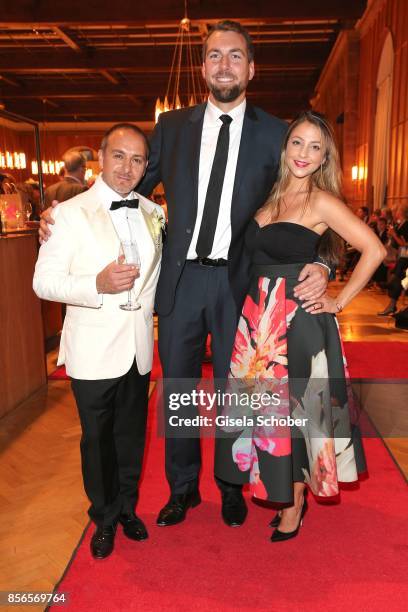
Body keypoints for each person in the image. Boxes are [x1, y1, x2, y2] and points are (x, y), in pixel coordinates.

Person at [39, 21, 330, 529]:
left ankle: (231, 485)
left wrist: (323, 263)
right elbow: (123, 185)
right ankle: (182, 489)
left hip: (241, 284)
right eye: (214, 55)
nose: (224, 65)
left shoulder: (276, 134)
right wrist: (60, 210)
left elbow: (306, 205)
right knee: (179, 392)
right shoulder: (172, 128)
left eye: (235, 56)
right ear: (202, 67)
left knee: (234, 393)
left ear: (251, 68)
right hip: (179, 284)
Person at [216, 110, 386, 542]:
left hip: (299, 325)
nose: (304, 154)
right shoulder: (268, 199)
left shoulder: (321, 201)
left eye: (315, 147)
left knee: (294, 414)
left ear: (325, 156)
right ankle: (285, 491)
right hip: (259, 325)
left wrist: (338, 301)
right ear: (285, 145)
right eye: (298, 143)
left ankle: (292, 503)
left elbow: (374, 249)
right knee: (270, 414)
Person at [33, 124, 165, 559]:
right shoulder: (67, 215)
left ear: (147, 166)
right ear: (102, 159)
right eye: (120, 156)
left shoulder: (154, 212)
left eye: (138, 159)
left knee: (131, 437)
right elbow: (44, 282)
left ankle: (126, 508)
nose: (128, 167)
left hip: (137, 347)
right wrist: (98, 284)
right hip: (92, 350)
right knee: (97, 441)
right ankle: (103, 517)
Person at [378, 204, 408, 315]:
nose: (395, 213)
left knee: (397, 275)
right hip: (401, 256)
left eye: (397, 210)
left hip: (405, 257)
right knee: (397, 280)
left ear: (401, 212)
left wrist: (394, 235)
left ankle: (391, 304)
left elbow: (404, 244)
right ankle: (391, 305)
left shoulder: (406, 225)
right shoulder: (401, 224)